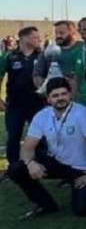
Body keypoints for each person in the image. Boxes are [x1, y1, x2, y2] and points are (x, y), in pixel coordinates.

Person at [8, 77, 86, 218]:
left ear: (70, 94)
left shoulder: (82, 113)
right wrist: (30, 163)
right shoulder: (41, 116)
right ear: (48, 99)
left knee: (83, 210)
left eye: (63, 94)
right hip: (57, 163)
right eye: (55, 95)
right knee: (16, 169)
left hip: (81, 169)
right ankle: (46, 204)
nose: (60, 98)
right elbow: (27, 146)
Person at [0, 26, 46, 167]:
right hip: (15, 104)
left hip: (38, 103)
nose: (39, 40)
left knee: (40, 136)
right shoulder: (8, 56)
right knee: (13, 136)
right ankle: (13, 167)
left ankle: (41, 164)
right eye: (35, 37)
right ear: (24, 38)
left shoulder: (42, 56)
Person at [34, 20, 86, 109]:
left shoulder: (84, 49)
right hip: (57, 104)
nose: (58, 36)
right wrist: (48, 92)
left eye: (61, 33)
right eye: (56, 33)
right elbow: (38, 74)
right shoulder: (49, 51)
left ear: (73, 32)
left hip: (84, 102)